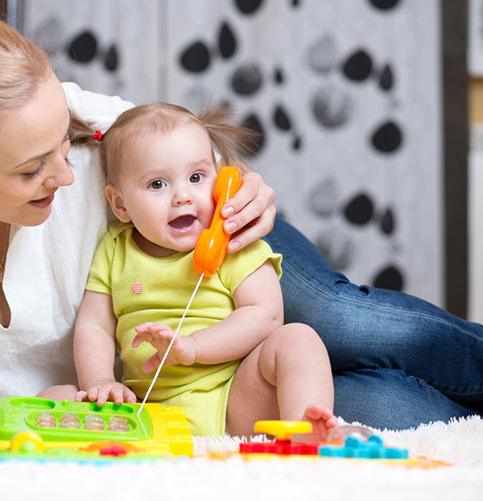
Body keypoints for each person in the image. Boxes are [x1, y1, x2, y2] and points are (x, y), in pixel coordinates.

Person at [0, 15, 483, 437]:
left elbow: (181, 150)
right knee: (380, 405)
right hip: (170, 391)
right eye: (32, 170)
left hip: (205, 250)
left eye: (67, 143)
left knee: (340, 323)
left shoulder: (81, 127)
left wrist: (241, 184)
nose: (67, 172)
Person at [71, 102, 337, 439]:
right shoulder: (115, 250)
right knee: (57, 396)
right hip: (147, 409)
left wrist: (195, 347)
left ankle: (306, 432)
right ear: (120, 204)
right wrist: (99, 381)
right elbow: (94, 324)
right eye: (157, 184)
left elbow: (266, 315)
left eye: (196, 177)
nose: (183, 195)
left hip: (233, 399)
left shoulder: (232, 242)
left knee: (298, 339)